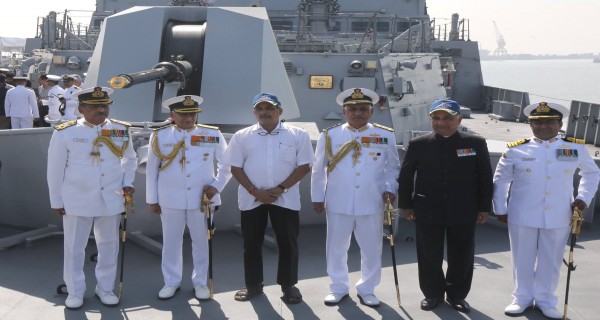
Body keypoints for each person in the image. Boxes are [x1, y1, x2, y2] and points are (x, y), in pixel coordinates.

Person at [493, 102, 600, 319]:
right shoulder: (516, 149)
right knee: (521, 258)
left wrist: (583, 198)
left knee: (551, 260)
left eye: (549, 122)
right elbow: (501, 180)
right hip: (522, 213)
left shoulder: (575, 148)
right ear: (530, 125)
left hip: (559, 214)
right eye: (537, 122)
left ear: (560, 124)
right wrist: (500, 209)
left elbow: (592, 173)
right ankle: (521, 298)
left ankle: (546, 300)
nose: (543, 126)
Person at [397, 99, 493, 313]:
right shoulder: (419, 144)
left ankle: (457, 294)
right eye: (436, 118)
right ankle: (432, 294)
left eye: (448, 118)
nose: (441, 123)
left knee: (462, 254)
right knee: (428, 254)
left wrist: (483, 207)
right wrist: (406, 204)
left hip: (464, 208)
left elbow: (485, 177)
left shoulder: (475, 143)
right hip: (427, 209)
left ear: (459, 119)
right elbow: (406, 176)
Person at [47, 86, 137, 310]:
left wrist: (127, 183)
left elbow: (130, 159)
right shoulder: (65, 132)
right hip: (77, 199)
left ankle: (105, 287)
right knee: (74, 248)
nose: (101, 110)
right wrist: (56, 200)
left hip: (112, 197)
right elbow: (55, 170)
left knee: (108, 246)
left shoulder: (121, 130)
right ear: (81, 109)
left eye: (104, 106)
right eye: (95, 107)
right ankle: (76, 291)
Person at [311, 88, 401, 308]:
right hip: (338, 201)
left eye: (363, 109)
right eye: (352, 109)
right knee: (336, 247)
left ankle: (367, 288)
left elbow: (393, 168)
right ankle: (339, 287)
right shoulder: (330, 135)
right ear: (344, 111)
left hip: (372, 201)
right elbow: (318, 169)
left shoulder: (385, 135)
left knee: (371, 248)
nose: (357, 113)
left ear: (371, 112)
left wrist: (390, 188)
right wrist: (317, 196)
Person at [222, 93, 314, 304]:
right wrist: (255, 192)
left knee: (288, 243)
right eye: (259, 109)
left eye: (269, 108)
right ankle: (253, 285)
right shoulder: (242, 136)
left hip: (286, 198)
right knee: (251, 243)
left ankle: (289, 286)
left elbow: (305, 166)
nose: (264, 112)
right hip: (252, 198)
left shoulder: (298, 135)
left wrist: (281, 188)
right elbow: (234, 166)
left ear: (279, 111)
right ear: (254, 113)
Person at [146, 95, 231, 301]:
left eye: (192, 114)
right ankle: (171, 282)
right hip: (170, 198)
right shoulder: (160, 136)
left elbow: (227, 164)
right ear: (172, 115)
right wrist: (152, 199)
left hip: (202, 199)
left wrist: (216, 187)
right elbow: (152, 170)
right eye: (183, 114)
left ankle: (200, 281)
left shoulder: (212, 134)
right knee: (171, 242)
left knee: (201, 242)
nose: (188, 118)